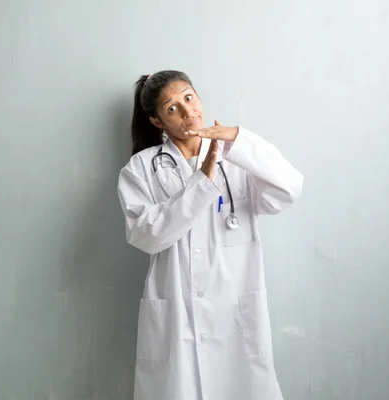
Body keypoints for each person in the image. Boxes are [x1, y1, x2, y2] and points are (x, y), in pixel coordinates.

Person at [117, 70, 304, 400]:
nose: (187, 111)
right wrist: (202, 182)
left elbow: (289, 187)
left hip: (236, 315)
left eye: (188, 98)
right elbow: (145, 235)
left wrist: (238, 139)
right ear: (157, 121)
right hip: (177, 317)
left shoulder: (237, 159)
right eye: (172, 107)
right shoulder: (140, 169)